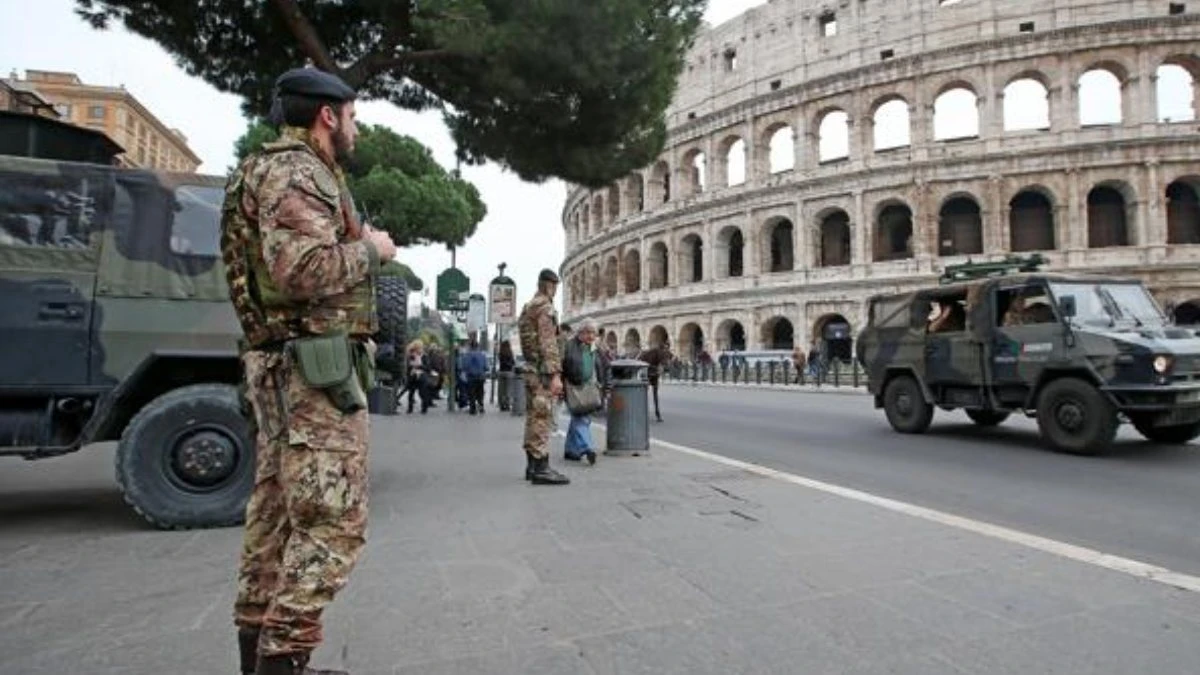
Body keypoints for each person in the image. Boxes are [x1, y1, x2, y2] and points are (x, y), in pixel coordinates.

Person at [222, 67, 398, 675]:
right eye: (351, 115)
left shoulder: (266, 168)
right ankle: (283, 662)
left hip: (282, 365)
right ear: (327, 115)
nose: (356, 127)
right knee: (332, 524)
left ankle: (260, 656)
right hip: (311, 372)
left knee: (274, 518)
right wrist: (371, 250)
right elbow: (301, 271)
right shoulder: (299, 171)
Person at [517, 269, 570, 485]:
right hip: (542, 373)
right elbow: (548, 344)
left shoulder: (528, 306)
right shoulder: (545, 308)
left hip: (531, 369)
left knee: (532, 417)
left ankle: (532, 465)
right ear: (550, 285)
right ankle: (541, 468)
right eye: (555, 286)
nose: (556, 291)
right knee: (542, 418)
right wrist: (556, 375)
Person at [562, 319, 604, 464]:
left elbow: (604, 366)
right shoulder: (569, 346)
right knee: (581, 418)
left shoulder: (595, 348)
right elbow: (561, 366)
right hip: (573, 387)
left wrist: (606, 385)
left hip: (590, 388)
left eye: (593, 333)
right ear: (580, 333)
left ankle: (571, 450)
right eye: (587, 333)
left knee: (578, 417)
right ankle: (588, 447)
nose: (591, 336)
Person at [638, 339, 674, 422]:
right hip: (649, 371)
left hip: (654, 371)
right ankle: (653, 413)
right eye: (666, 347)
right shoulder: (655, 352)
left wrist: (663, 366)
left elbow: (670, 357)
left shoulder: (663, 352)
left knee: (655, 393)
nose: (666, 348)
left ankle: (657, 413)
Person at [464, 338, 489, 414]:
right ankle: (481, 406)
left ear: (470, 347)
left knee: (471, 393)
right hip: (481, 377)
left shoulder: (467, 355)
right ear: (478, 346)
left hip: (471, 377)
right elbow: (486, 367)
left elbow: (465, 366)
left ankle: (473, 409)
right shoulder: (482, 355)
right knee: (480, 392)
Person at [402, 340, 425, 414]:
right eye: (420, 347)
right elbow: (410, 364)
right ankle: (410, 408)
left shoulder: (420, 354)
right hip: (413, 375)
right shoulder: (412, 354)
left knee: (415, 392)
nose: (421, 349)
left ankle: (413, 408)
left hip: (417, 375)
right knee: (412, 392)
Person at [497, 340, 516, 411]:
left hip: (501, 372)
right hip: (509, 373)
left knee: (501, 390)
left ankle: (502, 405)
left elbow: (501, 362)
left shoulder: (500, 353)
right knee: (508, 389)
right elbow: (513, 362)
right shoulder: (510, 353)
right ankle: (507, 404)